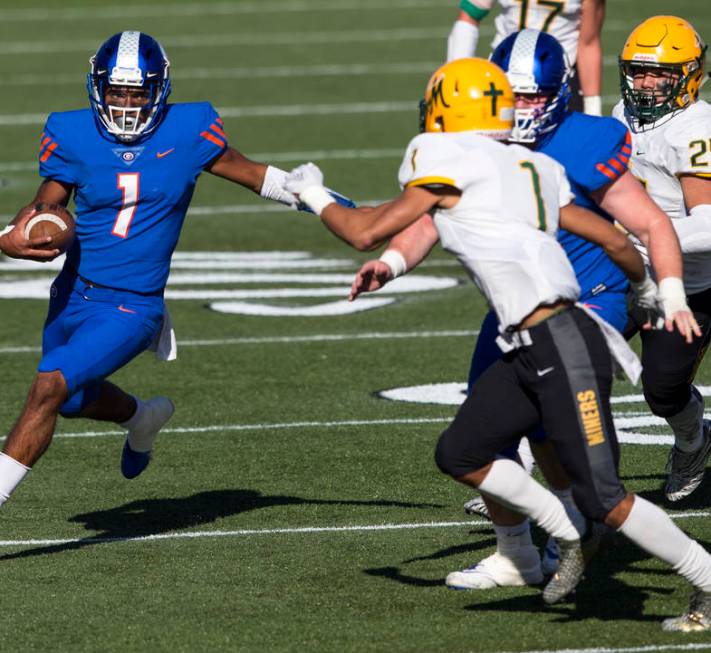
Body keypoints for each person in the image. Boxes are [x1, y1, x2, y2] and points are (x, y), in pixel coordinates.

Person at [283, 57, 711, 631]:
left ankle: (703, 576)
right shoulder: (527, 165)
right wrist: (650, 286)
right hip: (529, 342)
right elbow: (612, 235)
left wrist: (312, 193)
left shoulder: (445, 158)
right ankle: (568, 531)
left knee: (606, 495)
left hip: (564, 343)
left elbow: (362, 229)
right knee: (461, 451)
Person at [0, 30, 349, 554]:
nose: (126, 104)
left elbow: (257, 175)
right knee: (73, 400)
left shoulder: (191, 128)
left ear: (159, 89)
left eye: (136, 92)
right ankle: (141, 418)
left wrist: (339, 207)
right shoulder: (71, 132)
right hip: (73, 294)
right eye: (117, 92)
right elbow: (43, 205)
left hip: (133, 305)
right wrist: (12, 236)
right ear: (97, 87)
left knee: (49, 386)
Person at [613, 15, 711, 506]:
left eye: (660, 74)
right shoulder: (622, 115)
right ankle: (516, 470)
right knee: (559, 357)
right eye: (638, 72)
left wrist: (645, 237)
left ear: (689, 75)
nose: (646, 83)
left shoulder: (696, 130)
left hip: (692, 282)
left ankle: (694, 442)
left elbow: (710, 226)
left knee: (662, 392)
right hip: (627, 274)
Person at [445, 0, 605, 115]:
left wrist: (592, 107)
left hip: (558, 80)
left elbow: (588, 43)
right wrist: (455, 81)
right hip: (505, 74)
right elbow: (469, 17)